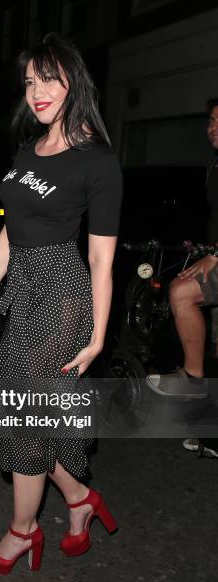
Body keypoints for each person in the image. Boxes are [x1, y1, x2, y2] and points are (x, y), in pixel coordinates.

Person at [0, 33, 122, 574]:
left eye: (48, 78)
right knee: (18, 409)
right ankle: (79, 501)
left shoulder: (97, 162)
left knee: (21, 414)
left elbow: (100, 261)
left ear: (73, 80)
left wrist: (97, 337)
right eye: (30, 81)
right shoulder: (29, 150)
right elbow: (10, 228)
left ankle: (22, 532)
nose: (37, 91)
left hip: (61, 293)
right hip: (23, 289)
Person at [146, 98, 218, 455]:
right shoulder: (214, 165)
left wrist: (216, 255)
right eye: (211, 121)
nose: (213, 127)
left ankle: (192, 378)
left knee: (181, 292)